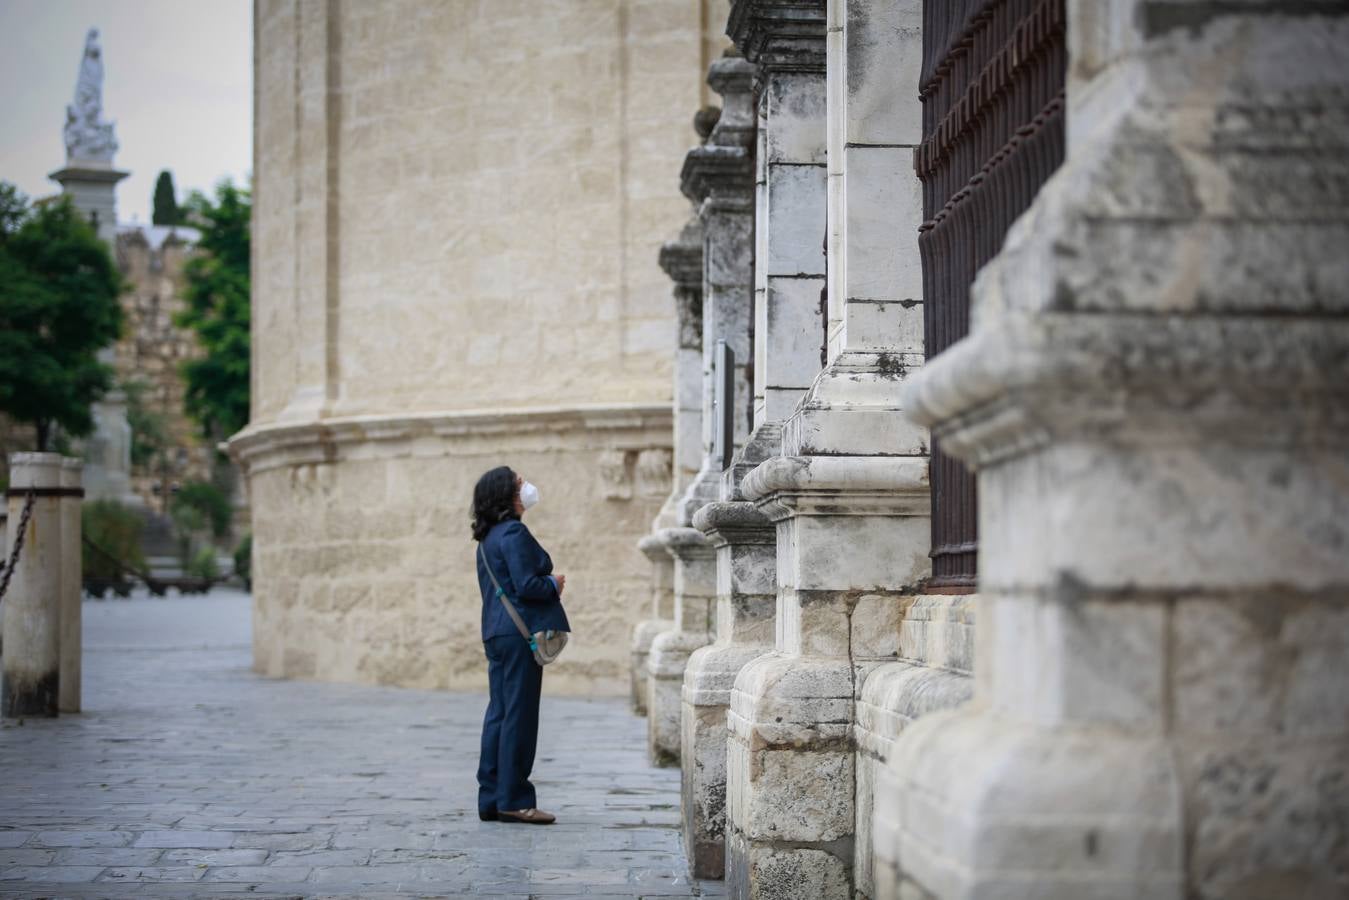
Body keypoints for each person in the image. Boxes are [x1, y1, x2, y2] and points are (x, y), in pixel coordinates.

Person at [471, 465, 569, 825]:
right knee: (519, 715)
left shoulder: (488, 539)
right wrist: (553, 586)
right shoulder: (513, 532)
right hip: (518, 634)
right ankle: (514, 799)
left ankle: (492, 797)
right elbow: (527, 585)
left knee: (500, 712)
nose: (526, 485)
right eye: (518, 482)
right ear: (507, 494)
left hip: (497, 632)